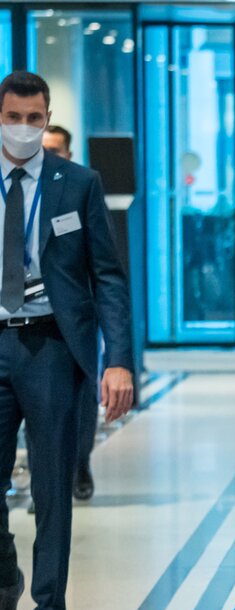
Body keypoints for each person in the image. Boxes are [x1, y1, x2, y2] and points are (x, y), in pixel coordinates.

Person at [0, 71, 135, 610]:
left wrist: (119, 361)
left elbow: (107, 274)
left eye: (36, 118)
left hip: (53, 347)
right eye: (15, 117)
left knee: (52, 491)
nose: (25, 129)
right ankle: (6, 576)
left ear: (47, 118)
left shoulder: (76, 182)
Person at [40, 124, 100, 502]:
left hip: (74, 318)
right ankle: (46, 483)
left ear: (68, 154)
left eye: (56, 150)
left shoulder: (79, 189)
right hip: (29, 322)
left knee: (80, 401)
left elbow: (102, 263)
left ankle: (80, 461)